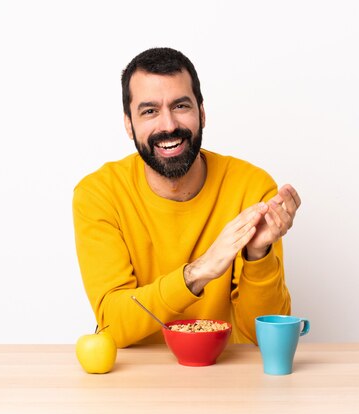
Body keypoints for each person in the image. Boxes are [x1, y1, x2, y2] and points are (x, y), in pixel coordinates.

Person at [73, 47, 301, 348]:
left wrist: (257, 255)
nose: (168, 125)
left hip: (226, 377)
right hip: (134, 382)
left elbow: (264, 336)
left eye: (180, 106)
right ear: (129, 124)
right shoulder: (99, 194)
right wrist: (198, 272)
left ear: (202, 113)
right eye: (149, 111)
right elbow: (114, 323)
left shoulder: (252, 188)